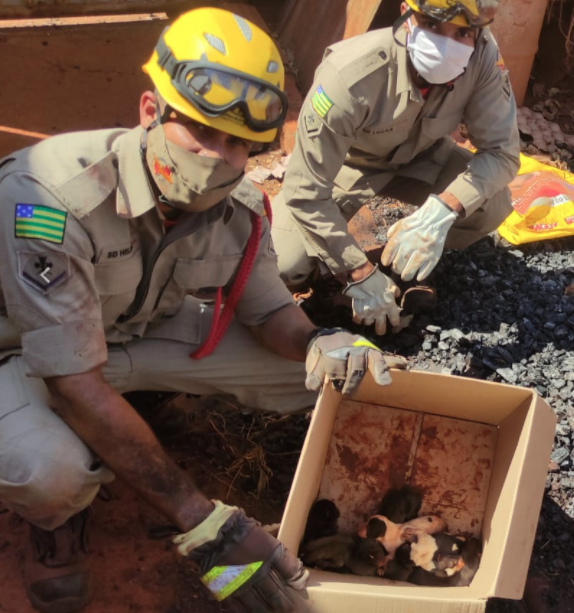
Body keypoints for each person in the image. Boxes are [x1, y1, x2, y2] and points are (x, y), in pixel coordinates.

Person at [0, 8, 402, 613]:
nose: (219, 157)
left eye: (240, 144)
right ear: (149, 112)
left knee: (345, 378)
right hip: (31, 358)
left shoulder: (239, 208)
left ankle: (141, 415)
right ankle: (55, 525)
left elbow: (267, 312)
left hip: (134, 338)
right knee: (49, 470)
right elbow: (73, 379)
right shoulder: (51, 197)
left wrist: (320, 341)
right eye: (203, 131)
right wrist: (200, 517)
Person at [272, 0, 520, 335]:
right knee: (284, 261)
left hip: (424, 157)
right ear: (407, 14)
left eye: (463, 32)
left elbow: (502, 154)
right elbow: (304, 191)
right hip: (351, 165)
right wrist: (355, 270)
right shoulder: (349, 76)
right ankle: (347, 276)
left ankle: (406, 262)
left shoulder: (484, 57)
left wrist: (441, 212)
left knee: (493, 205)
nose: (448, 44)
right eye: (432, 25)